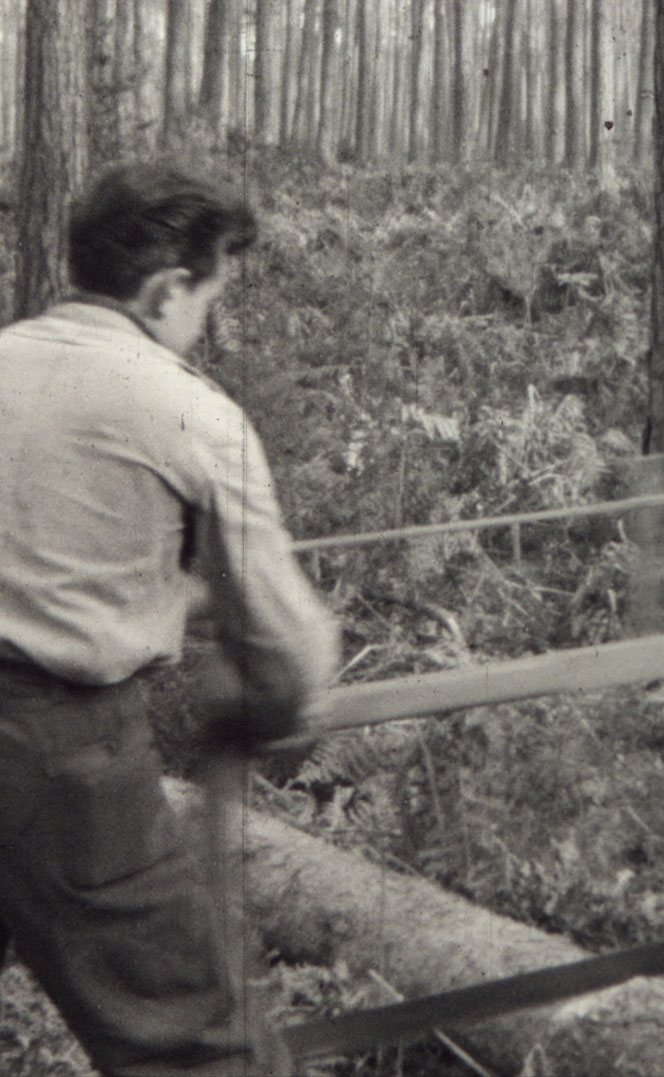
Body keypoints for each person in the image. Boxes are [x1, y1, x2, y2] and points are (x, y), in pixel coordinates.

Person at [0, 163, 337, 1075]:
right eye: (206, 299)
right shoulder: (187, 409)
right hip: (60, 762)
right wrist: (271, 713)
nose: (205, 326)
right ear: (163, 289)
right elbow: (288, 643)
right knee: (198, 1049)